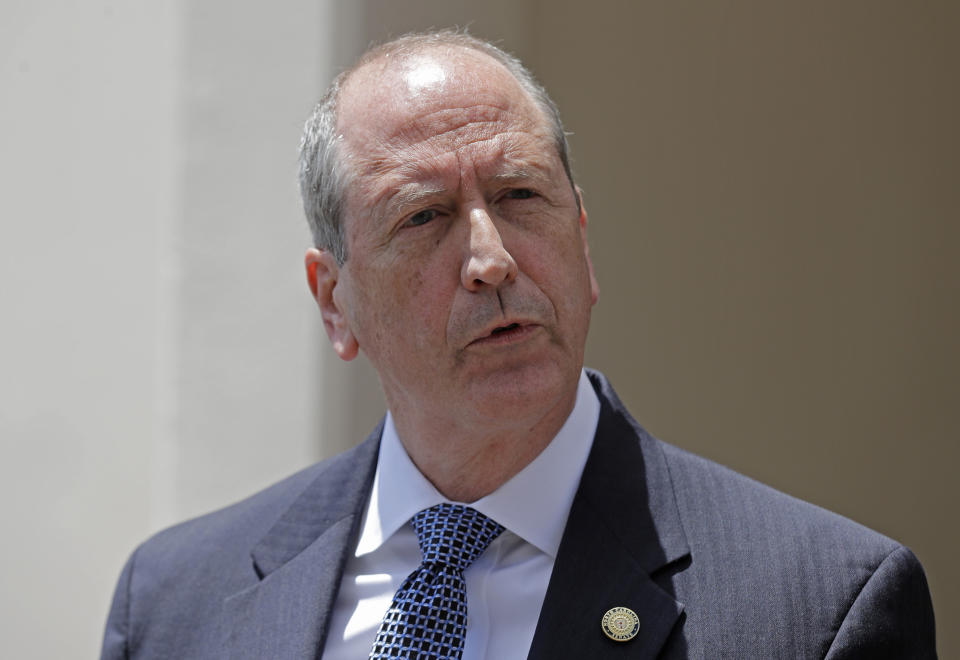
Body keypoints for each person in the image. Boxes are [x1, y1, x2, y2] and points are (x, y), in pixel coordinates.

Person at [101, 30, 936, 659]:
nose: (491, 260)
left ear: (582, 240)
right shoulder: (176, 603)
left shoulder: (820, 607)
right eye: (422, 217)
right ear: (334, 303)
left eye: (520, 195)